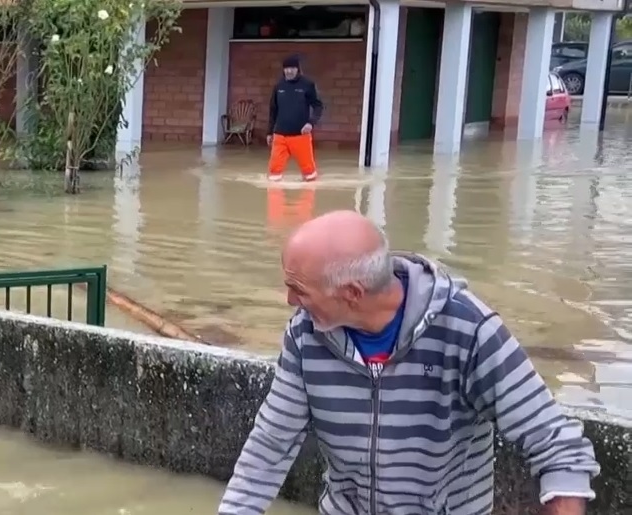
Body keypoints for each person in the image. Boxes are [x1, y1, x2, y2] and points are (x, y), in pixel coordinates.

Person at [218, 210, 600, 515]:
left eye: (298, 290)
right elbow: (271, 445)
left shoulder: (468, 332)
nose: (289, 301)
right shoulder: (306, 336)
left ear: (352, 293)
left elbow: (557, 445)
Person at [266, 55, 323, 183]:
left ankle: (307, 201)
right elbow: (273, 110)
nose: (289, 71)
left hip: (301, 135)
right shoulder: (278, 86)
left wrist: (311, 123)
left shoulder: (307, 85)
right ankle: (275, 202)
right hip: (280, 135)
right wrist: (269, 132)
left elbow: (318, 106)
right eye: (286, 68)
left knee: (310, 176)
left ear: (298, 69)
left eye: (292, 68)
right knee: (273, 176)